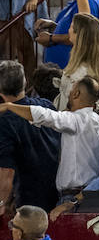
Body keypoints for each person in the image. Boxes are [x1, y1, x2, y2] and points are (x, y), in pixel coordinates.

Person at [0, 61, 59, 212]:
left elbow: (6, 172)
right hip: (57, 194)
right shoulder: (46, 105)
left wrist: (2, 204)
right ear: (25, 82)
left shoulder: (3, 121)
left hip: (26, 203)